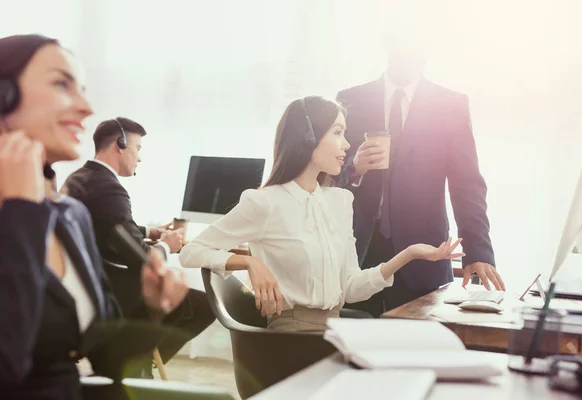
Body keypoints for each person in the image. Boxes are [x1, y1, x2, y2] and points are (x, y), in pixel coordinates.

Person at [0, 34, 188, 399]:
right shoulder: (25, 216)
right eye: (61, 84)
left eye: (83, 89)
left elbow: (104, 362)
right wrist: (21, 213)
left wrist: (150, 311)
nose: (86, 107)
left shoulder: (70, 215)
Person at [179, 96, 463, 332]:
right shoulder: (264, 202)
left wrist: (409, 253)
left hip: (333, 332)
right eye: (338, 132)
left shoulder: (340, 201)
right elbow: (191, 251)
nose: (347, 145)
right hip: (290, 338)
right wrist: (250, 263)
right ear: (308, 137)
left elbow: (351, 289)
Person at [334, 17, 506, 316]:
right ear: (387, 45)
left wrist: (477, 251)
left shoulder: (450, 104)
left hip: (424, 254)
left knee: (416, 347)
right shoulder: (351, 100)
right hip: (358, 250)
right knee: (353, 343)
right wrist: (354, 167)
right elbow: (324, 175)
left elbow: (467, 184)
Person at [62, 117, 215, 369]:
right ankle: (139, 365)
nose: (139, 158)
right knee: (202, 305)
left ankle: (139, 360)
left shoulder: (79, 178)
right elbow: (143, 259)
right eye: (138, 149)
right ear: (119, 144)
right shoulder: (110, 189)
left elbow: (106, 227)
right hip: (114, 291)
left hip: (88, 281)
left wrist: (149, 231)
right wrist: (167, 246)